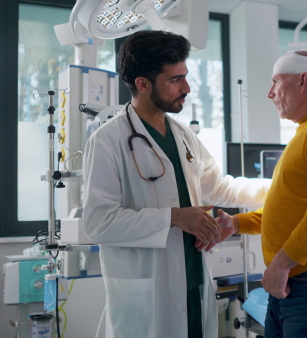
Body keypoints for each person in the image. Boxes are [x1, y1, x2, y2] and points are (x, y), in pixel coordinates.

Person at [82, 30, 270, 338]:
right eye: (174, 80)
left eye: (185, 76)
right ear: (142, 84)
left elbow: (218, 187)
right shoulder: (108, 141)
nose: (187, 88)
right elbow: (98, 223)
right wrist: (175, 217)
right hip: (148, 291)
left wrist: (278, 188)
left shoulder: (183, 135)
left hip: (193, 283)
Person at [200, 50, 307, 337]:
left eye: (276, 82)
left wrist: (280, 264)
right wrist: (238, 224)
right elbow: (292, 210)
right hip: (298, 277)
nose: (269, 93)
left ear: (302, 81)